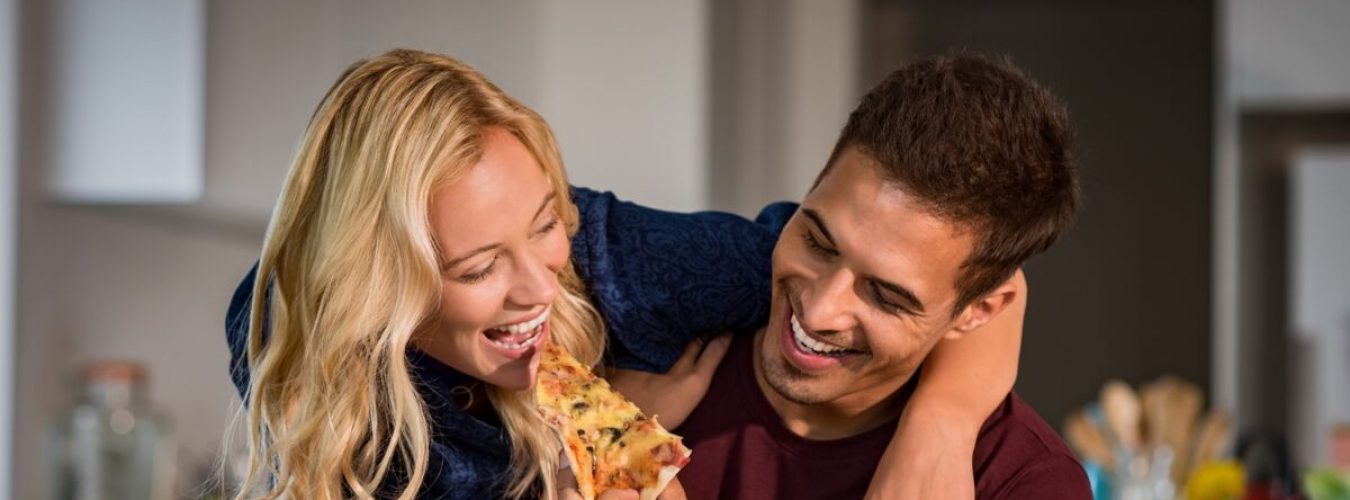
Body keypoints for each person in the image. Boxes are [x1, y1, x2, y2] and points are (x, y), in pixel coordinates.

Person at [224, 49, 1024, 499]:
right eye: (475, 267)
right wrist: (600, 440)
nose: (542, 288)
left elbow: (931, 267)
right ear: (375, 282)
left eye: (544, 222)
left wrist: (941, 429)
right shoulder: (286, 339)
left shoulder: (622, 267)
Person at [670, 53, 1092, 499]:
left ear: (979, 310)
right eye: (818, 242)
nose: (817, 312)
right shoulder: (644, 356)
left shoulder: (1024, 483)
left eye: (886, 296)